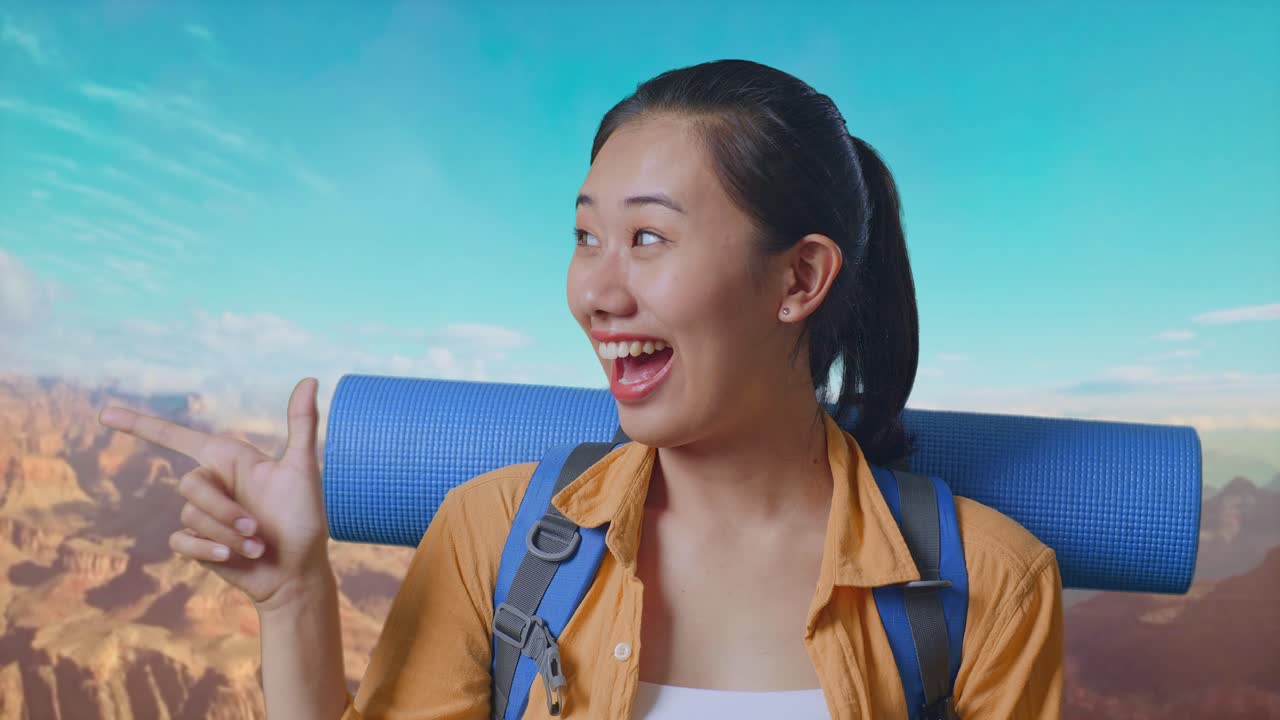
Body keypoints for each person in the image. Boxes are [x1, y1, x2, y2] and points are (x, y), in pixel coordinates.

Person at [98, 59, 1063, 719]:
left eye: (647, 238)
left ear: (799, 280)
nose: (596, 293)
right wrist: (293, 602)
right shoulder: (492, 538)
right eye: (585, 236)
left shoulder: (991, 591)